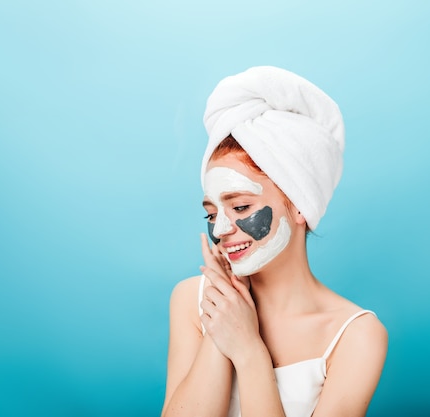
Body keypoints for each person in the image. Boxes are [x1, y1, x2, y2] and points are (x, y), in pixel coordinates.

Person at [161, 66, 388, 417]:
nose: (220, 228)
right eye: (211, 213)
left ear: (300, 206)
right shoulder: (191, 300)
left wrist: (250, 352)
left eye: (239, 206)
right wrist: (223, 320)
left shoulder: (357, 335)